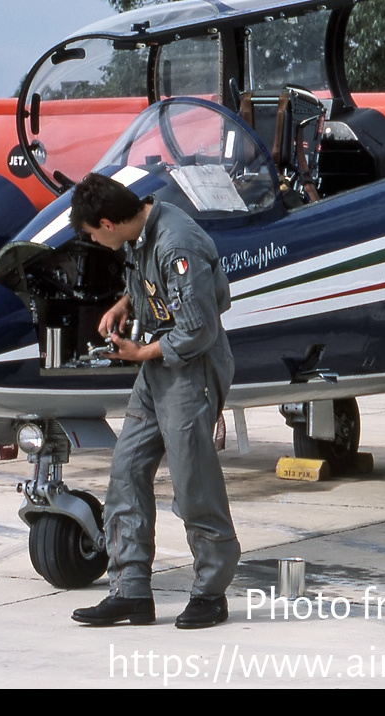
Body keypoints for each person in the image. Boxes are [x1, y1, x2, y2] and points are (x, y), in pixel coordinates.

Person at [66, 172, 240, 629]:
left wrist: (140, 352)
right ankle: (130, 592)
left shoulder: (174, 243)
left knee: (193, 481)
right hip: (159, 367)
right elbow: (155, 280)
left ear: (107, 222)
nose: (96, 243)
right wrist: (127, 303)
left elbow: (199, 328)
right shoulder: (145, 230)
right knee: (126, 470)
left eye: (92, 235)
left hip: (191, 367)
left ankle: (210, 593)